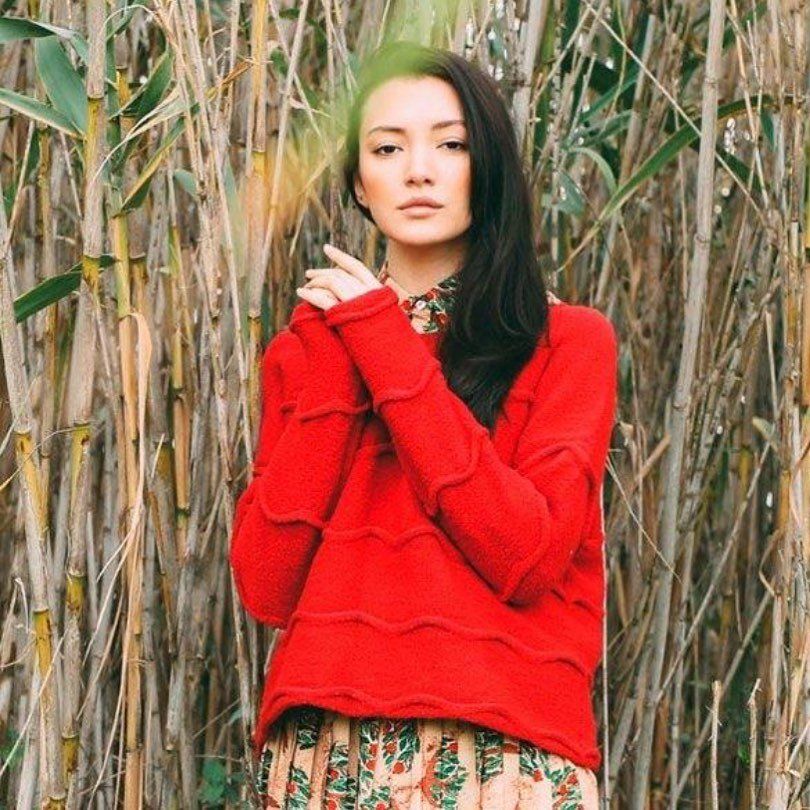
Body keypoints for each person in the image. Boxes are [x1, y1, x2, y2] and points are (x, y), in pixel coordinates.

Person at [229, 40, 617, 809]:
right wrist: (344, 349)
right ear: (358, 185)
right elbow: (268, 584)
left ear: (489, 169)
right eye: (387, 148)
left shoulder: (568, 341)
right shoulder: (303, 354)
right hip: (322, 756)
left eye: (451, 144)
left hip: (502, 757)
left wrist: (379, 336)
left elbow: (526, 553)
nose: (418, 170)